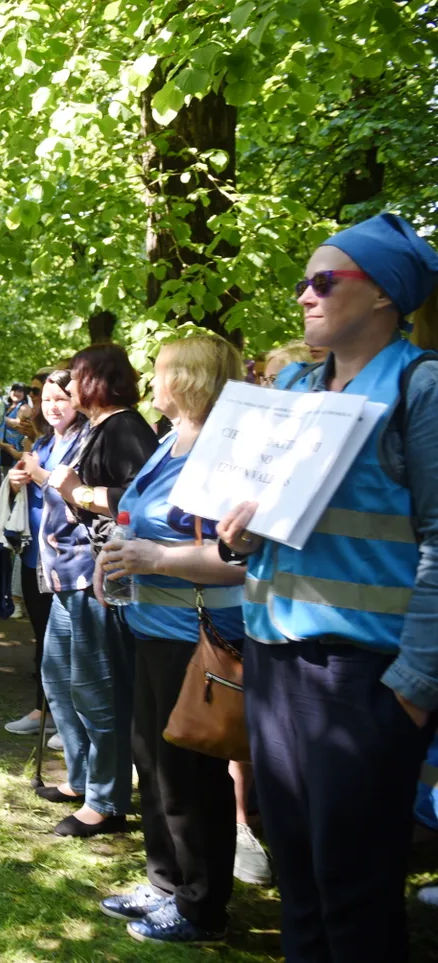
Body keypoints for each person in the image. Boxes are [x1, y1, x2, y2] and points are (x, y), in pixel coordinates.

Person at [218, 212, 438, 962]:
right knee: (299, 882)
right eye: (302, 283)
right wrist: (243, 536)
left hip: (363, 680)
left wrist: (412, 687)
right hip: (275, 660)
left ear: (384, 296)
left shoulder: (420, 387)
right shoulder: (300, 389)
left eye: (322, 281)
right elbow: (282, 525)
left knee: (356, 894)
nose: (304, 296)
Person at [93, 335, 246, 944]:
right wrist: (121, 563)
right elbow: (138, 522)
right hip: (152, 624)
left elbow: (240, 560)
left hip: (197, 631)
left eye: (158, 370)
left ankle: (201, 907)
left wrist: (153, 557)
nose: (149, 380)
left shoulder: (224, 452)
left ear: (187, 377)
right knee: (153, 761)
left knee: (190, 774)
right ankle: (165, 882)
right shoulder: (167, 441)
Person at [43, 343, 158, 837]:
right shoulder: (99, 427)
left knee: (98, 690)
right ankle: (81, 780)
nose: (68, 387)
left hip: (104, 577)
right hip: (82, 573)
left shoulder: (125, 427)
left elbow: (142, 501)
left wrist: (78, 493)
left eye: (77, 376)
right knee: (59, 677)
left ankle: (106, 801)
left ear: (98, 380)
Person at [2, 369, 83, 737]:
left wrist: (37, 475)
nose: (51, 406)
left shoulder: (86, 440)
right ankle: (43, 711)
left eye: (60, 399)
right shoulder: (47, 441)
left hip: (68, 562)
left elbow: (79, 496)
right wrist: (18, 483)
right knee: (44, 640)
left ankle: (70, 724)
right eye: (45, 399)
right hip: (35, 556)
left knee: (71, 646)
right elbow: (33, 488)